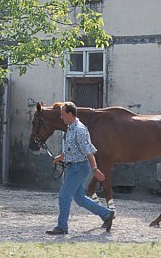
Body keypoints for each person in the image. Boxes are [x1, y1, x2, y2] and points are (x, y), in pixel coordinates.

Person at [47, 101, 115, 235]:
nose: (61, 117)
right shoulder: (71, 127)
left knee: (64, 196)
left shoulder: (79, 130)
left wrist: (95, 170)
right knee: (80, 198)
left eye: (63, 114)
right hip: (74, 167)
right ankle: (107, 214)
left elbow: (89, 152)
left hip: (78, 168)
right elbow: (72, 149)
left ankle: (62, 227)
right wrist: (60, 157)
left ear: (70, 114)